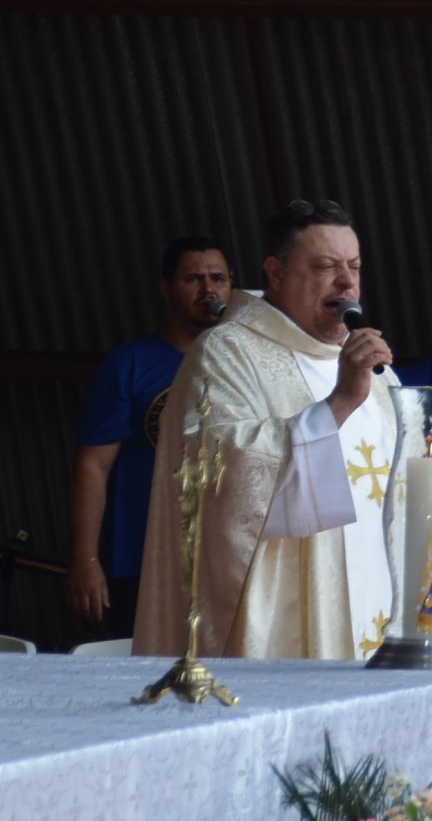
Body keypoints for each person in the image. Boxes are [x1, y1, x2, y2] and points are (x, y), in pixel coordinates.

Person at [134, 202, 400, 661]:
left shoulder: (377, 369)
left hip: (376, 596)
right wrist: (337, 405)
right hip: (288, 616)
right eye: (325, 267)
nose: (347, 283)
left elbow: (404, 474)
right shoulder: (226, 351)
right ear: (276, 273)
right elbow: (223, 473)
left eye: (354, 267)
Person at [70, 235, 232, 641]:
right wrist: (86, 559)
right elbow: (93, 465)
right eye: (193, 279)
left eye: (219, 279)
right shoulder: (130, 363)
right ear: (166, 289)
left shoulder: (243, 366)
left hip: (224, 555)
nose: (208, 290)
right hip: (141, 559)